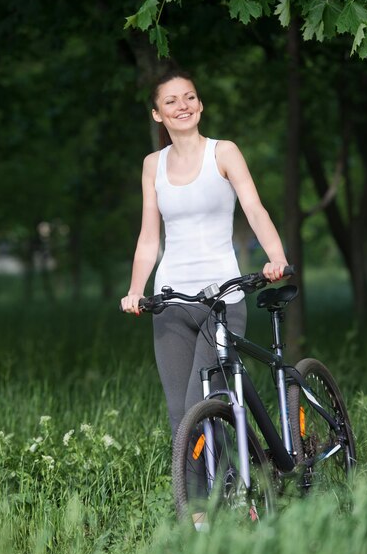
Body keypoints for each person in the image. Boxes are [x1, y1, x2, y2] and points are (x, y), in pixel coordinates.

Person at [121, 70, 289, 440]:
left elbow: (254, 208)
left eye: (190, 97)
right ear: (157, 114)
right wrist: (136, 291)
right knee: (180, 414)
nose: (183, 106)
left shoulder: (223, 152)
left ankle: (233, 490)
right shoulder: (153, 165)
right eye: (171, 101)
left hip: (222, 297)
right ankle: (195, 500)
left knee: (208, 403)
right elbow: (150, 238)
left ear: (200, 104)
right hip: (170, 301)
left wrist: (275, 257)